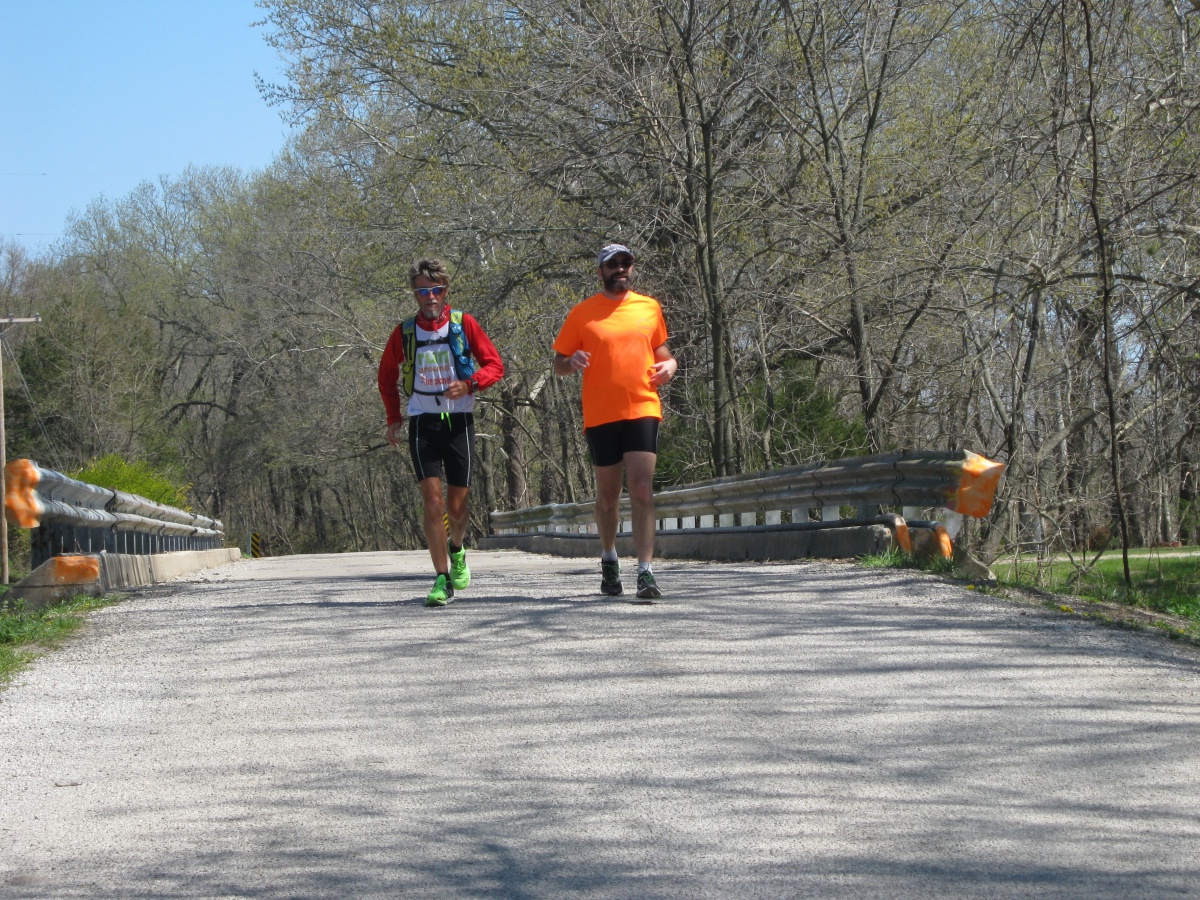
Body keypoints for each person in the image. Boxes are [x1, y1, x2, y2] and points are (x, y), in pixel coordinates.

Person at [552, 243, 678, 600]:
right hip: (601, 413)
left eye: (626, 263)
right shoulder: (582, 313)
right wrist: (571, 361)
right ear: (601, 272)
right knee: (608, 497)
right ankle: (609, 558)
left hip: (643, 406)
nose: (621, 268)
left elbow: (662, 352)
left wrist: (671, 365)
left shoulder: (649, 307)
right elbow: (559, 364)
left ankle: (646, 572)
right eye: (613, 264)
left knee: (641, 489)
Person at [378, 258, 504, 607]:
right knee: (433, 504)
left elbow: (495, 365)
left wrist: (470, 384)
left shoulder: (464, 324)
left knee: (457, 508)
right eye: (423, 291)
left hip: (458, 422)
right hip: (423, 421)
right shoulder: (405, 332)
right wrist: (393, 417)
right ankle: (441, 578)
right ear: (414, 294)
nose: (430, 297)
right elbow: (386, 375)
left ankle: (457, 548)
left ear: (445, 291)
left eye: (436, 290)